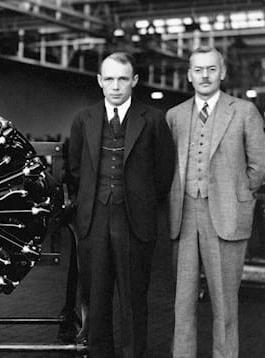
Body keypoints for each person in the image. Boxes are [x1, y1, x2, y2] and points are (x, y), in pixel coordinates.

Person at [68, 52, 175, 358]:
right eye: (110, 78)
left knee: (133, 300)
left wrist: (141, 202)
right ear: (100, 81)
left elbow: (163, 172)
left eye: (123, 79)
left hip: (135, 222)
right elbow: (75, 169)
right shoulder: (82, 119)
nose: (116, 86)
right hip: (93, 220)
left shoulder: (153, 119)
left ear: (134, 81)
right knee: (97, 299)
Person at [167, 46, 265, 358]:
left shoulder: (244, 111)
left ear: (222, 72)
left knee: (225, 306)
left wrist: (237, 195)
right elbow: (166, 167)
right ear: (189, 76)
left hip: (226, 215)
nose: (205, 75)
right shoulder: (174, 116)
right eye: (198, 69)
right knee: (182, 305)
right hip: (183, 217)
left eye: (211, 69)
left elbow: (259, 166)